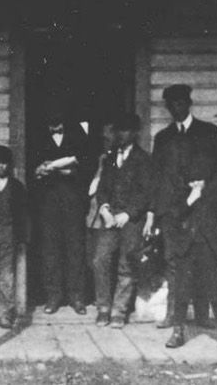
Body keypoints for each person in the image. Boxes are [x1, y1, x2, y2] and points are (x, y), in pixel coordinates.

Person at [150, 83, 217, 349]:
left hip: (206, 214)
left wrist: (204, 192)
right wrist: (172, 208)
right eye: (172, 104)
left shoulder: (209, 132)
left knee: (212, 274)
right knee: (181, 277)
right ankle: (178, 330)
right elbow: (160, 179)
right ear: (168, 108)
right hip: (178, 217)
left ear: (189, 103)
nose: (177, 108)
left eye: (181, 103)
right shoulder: (163, 139)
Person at [92, 114, 155, 328]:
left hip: (131, 220)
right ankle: (103, 308)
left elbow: (146, 193)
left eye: (126, 130)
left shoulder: (144, 159)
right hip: (110, 218)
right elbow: (102, 188)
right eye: (119, 130)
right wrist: (105, 208)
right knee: (100, 260)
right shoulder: (110, 158)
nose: (122, 135)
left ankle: (119, 311)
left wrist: (128, 214)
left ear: (135, 133)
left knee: (126, 264)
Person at [33, 110, 90, 314]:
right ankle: (53, 297)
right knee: (50, 250)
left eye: (57, 121)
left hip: (72, 200)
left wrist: (70, 171)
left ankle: (77, 298)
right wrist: (39, 170)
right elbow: (32, 166)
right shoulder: (37, 136)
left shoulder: (78, 135)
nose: (53, 126)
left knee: (75, 249)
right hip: (48, 202)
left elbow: (87, 164)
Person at [0, 144, 27, 329]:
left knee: (7, 277)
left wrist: (23, 237)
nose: (1, 166)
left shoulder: (17, 187)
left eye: (4, 163)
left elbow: (24, 213)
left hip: (9, 236)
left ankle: (5, 315)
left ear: (9, 165)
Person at [85, 122, 119, 300]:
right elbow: (91, 189)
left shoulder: (116, 160)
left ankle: (108, 300)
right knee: (93, 258)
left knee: (104, 259)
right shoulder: (101, 159)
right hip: (93, 216)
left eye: (108, 138)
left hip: (108, 217)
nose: (106, 142)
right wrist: (99, 166)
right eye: (103, 139)